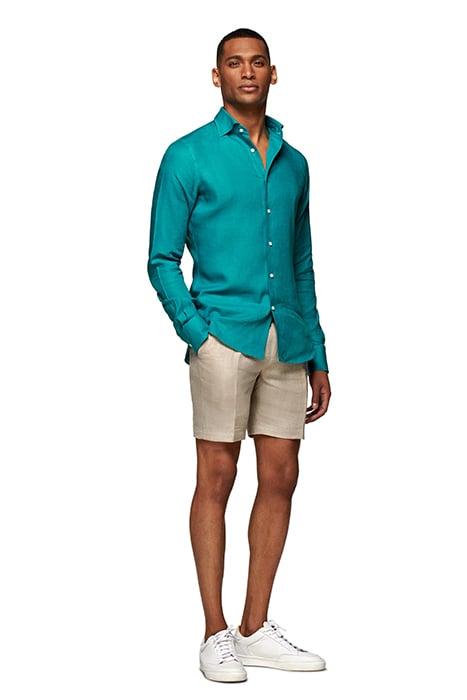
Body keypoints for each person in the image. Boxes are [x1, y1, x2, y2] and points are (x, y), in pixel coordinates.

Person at [147, 27, 331, 683]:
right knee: (216, 476)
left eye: (257, 62)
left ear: (272, 74)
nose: (246, 72)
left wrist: (318, 352)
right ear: (216, 75)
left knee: (281, 475)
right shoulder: (187, 155)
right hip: (222, 335)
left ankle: (255, 627)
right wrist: (198, 333)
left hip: (287, 338)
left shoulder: (294, 163)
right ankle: (213, 632)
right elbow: (161, 259)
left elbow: (301, 262)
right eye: (234, 62)